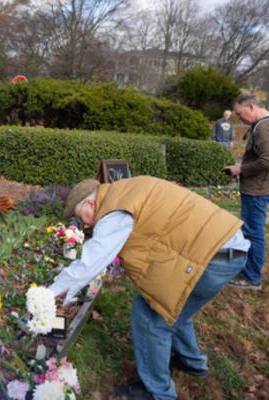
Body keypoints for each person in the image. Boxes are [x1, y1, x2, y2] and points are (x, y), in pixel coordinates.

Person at [50, 176, 249, 400]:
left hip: (212, 258)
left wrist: (48, 298)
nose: (85, 225)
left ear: (89, 204)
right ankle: (192, 361)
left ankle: (158, 392)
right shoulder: (124, 191)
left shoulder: (114, 211)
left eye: (81, 217)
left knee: (150, 316)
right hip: (226, 248)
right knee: (172, 301)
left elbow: (88, 265)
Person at [224, 93, 269, 290]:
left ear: (251, 107)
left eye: (240, 114)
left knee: (253, 232)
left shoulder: (263, 127)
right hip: (258, 187)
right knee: (252, 230)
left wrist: (240, 169)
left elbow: (267, 160)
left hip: (256, 190)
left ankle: (251, 277)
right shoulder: (261, 125)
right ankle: (248, 271)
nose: (239, 118)